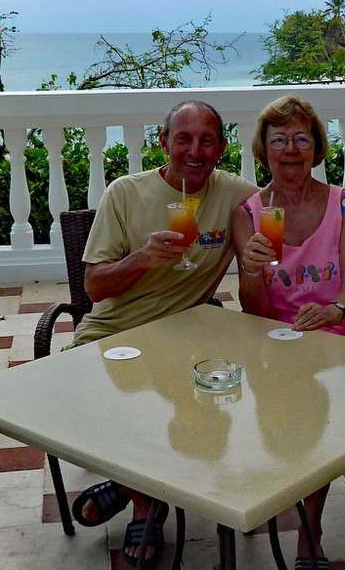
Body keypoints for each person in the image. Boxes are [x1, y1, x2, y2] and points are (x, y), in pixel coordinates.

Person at [70, 99, 257, 567]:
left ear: (221, 147)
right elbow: (94, 287)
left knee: (207, 391)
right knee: (121, 400)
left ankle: (131, 490)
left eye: (207, 140)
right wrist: (142, 259)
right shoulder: (124, 193)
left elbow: (294, 205)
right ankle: (145, 500)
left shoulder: (235, 194)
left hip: (184, 333)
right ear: (164, 142)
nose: (195, 151)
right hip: (113, 332)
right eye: (184, 139)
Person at [233, 95, 345, 569]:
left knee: (323, 393)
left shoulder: (344, 203)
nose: (291, 149)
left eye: (301, 139)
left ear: (317, 149)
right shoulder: (250, 214)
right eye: (279, 140)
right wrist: (250, 269)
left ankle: (310, 531)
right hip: (281, 338)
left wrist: (335, 310)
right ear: (264, 151)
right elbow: (255, 309)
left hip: (344, 328)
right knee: (307, 392)